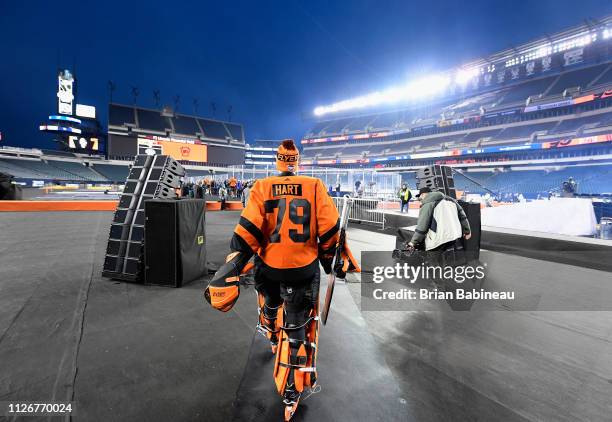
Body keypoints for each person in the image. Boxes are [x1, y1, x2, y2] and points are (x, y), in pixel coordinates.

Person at [204, 139, 357, 420]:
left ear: (277, 161)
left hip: (269, 269)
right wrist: (331, 263)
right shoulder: (314, 187)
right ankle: (291, 392)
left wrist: (234, 265)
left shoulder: (262, 187)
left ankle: (270, 326)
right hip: (302, 269)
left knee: (269, 297)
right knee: (298, 326)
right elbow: (330, 233)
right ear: (297, 161)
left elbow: (247, 233)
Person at [407, 187, 471, 253]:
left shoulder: (428, 203)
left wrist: (413, 242)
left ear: (423, 194)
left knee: (432, 259)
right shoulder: (451, 200)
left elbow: (422, 225)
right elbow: (462, 217)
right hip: (454, 236)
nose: (420, 200)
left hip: (439, 239)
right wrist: (467, 231)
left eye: (420, 197)